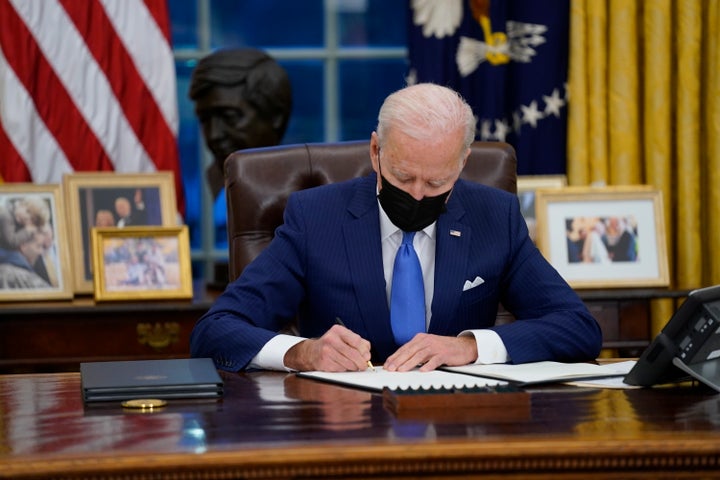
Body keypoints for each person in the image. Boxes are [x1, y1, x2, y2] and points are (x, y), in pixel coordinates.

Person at [190, 83, 602, 373]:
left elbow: (577, 328)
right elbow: (216, 331)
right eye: (404, 178)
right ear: (376, 152)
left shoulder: (495, 216)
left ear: (462, 163)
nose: (419, 195)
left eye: (437, 182)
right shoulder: (316, 218)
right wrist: (302, 353)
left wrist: (471, 346)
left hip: (459, 429)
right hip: (341, 428)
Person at [188, 48, 293, 198]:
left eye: (230, 117)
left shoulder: (304, 186)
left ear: (275, 116)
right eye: (205, 120)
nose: (213, 134)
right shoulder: (218, 175)